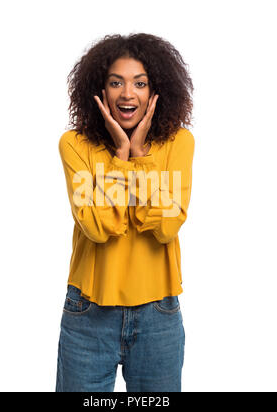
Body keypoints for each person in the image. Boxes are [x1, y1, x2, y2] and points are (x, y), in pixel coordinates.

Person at [55, 33, 195, 392]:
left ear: (155, 91)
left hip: (158, 316)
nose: (127, 94)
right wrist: (121, 154)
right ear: (99, 89)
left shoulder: (178, 143)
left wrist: (141, 157)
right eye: (116, 82)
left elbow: (166, 225)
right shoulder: (75, 144)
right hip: (88, 315)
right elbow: (98, 227)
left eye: (140, 83)